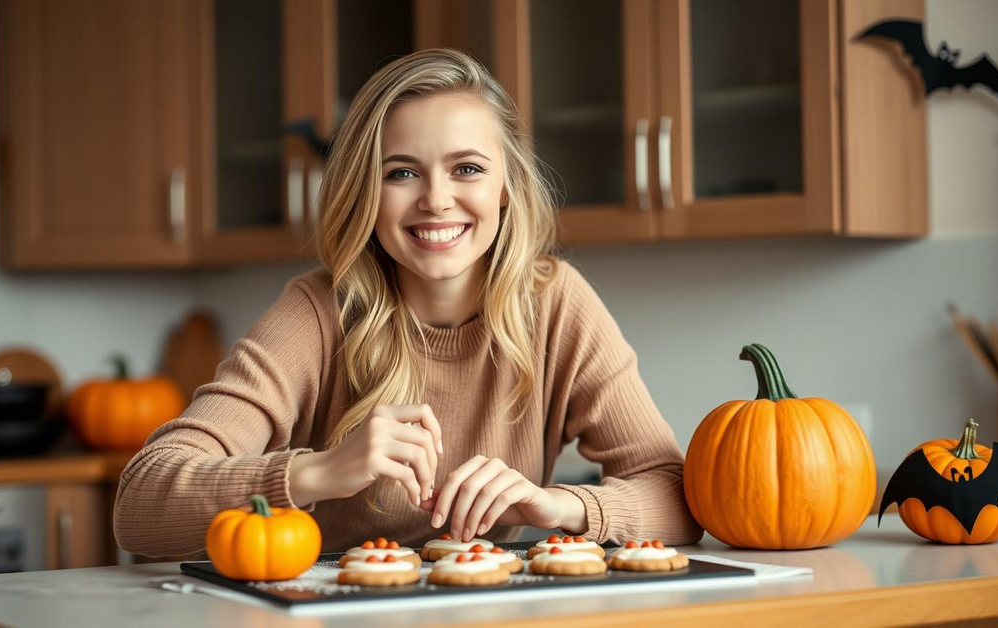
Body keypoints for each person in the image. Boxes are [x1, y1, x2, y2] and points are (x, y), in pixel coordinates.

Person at [113, 48, 702, 556]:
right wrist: (318, 471)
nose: (436, 200)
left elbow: (677, 499)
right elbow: (140, 503)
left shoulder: (557, 304)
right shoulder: (318, 313)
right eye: (401, 174)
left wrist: (556, 507)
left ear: (505, 187)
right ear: (366, 190)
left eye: (467, 168)